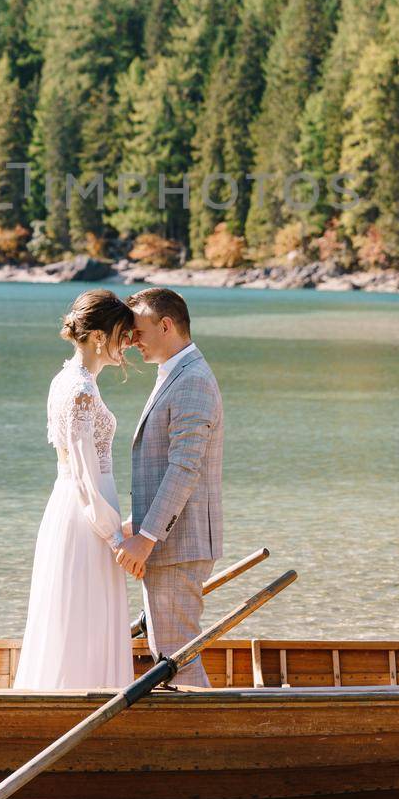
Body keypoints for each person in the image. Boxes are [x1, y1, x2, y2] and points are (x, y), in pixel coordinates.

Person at [13, 289, 137, 690]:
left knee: (75, 614)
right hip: (88, 514)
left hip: (73, 507)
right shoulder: (81, 390)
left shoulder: (65, 380)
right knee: (87, 614)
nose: (127, 344)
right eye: (122, 334)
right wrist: (114, 535)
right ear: (100, 336)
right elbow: (84, 474)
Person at [114, 287, 224, 688]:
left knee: (177, 659)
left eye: (138, 331)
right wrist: (134, 524)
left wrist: (146, 537)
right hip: (173, 540)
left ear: (166, 325)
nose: (131, 341)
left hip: (178, 545)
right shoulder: (176, 373)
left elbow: (184, 469)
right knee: (171, 654)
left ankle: (211, 743)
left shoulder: (192, 379)